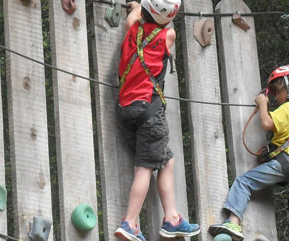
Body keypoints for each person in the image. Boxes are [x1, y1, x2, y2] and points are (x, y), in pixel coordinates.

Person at [208, 65, 289, 241]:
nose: (275, 96)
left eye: (276, 91)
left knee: (244, 182)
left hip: (287, 162)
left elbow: (266, 123)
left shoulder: (288, 108)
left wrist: (262, 104)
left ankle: (233, 223)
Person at [113, 0, 200, 241]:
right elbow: (163, 24)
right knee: (145, 167)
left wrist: (135, 6)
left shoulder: (132, 29)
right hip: (149, 112)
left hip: (125, 109)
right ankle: (130, 222)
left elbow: (134, 17)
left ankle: (172, 218)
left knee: (166, 160)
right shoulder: (168, 35)